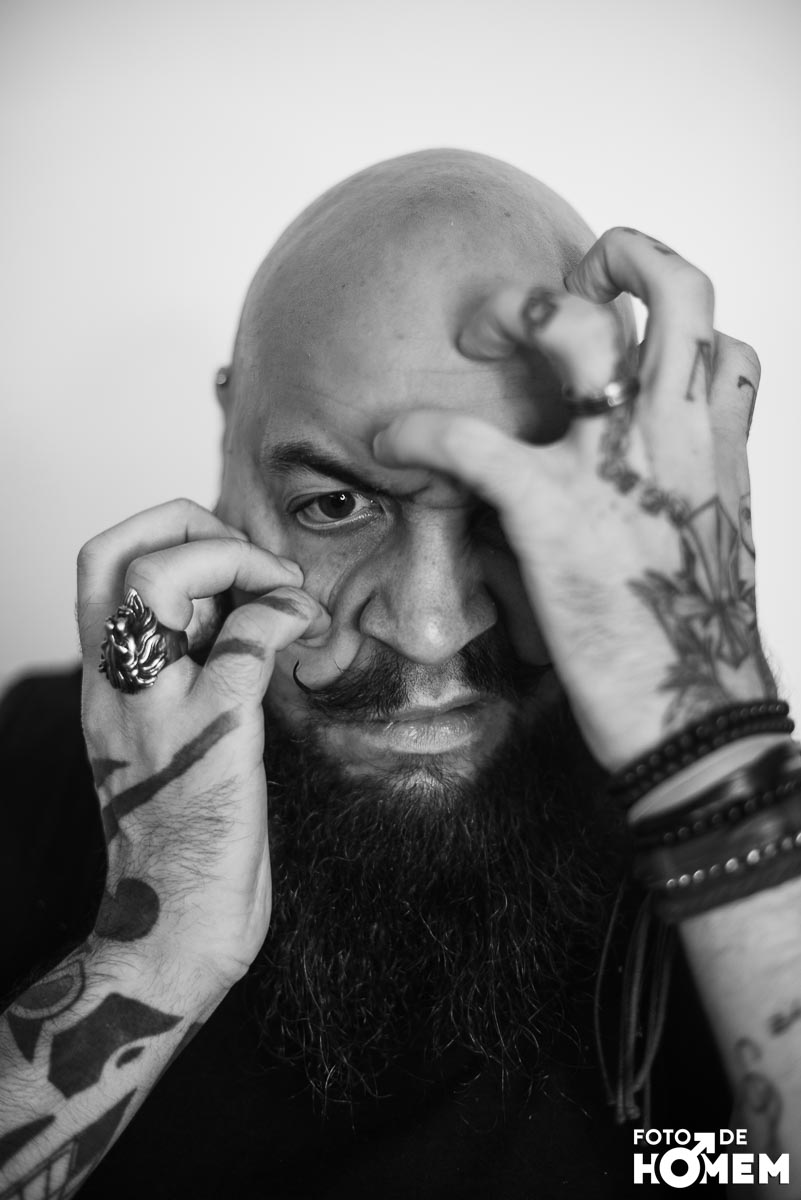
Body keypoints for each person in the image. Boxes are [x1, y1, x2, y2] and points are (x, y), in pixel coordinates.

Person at [1, 148, 799, 1199]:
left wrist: (715, 743)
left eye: (512, 509)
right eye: (334, 506)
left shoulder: (744, 854)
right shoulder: (34, 767)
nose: (428, 629)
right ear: (229, 439)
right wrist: (155, 941)